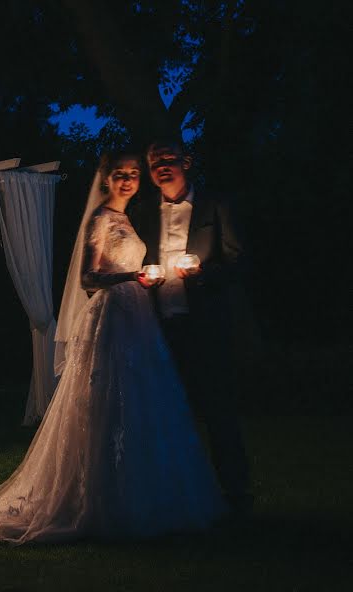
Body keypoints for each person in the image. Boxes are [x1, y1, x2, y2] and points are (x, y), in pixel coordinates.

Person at [0, 151, 225, 544]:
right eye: (120, 175)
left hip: (138, 315)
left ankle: (144, 489)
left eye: (134, 174)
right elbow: (89, 277)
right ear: (106, 179)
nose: (128, 181)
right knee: (107, 400)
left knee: (142, 400)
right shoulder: (100, 219)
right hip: (113, 314)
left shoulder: (131, 219)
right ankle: (100, 493)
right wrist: (135, 275)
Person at [130, 139, 251, 511]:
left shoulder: (215, 205)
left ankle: (235, 494)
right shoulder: (143, 212)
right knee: (168, 413)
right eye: (155, 163)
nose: (162, 166)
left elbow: (239, 262)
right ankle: (180, 493)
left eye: (169, 159)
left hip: (205, 327)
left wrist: (202, 272)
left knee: (218, 411)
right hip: (159, 329)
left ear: (187, 161)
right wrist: (142, 280)